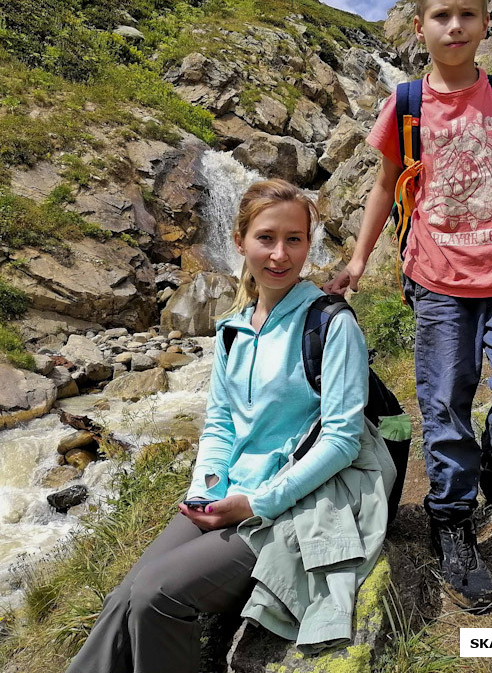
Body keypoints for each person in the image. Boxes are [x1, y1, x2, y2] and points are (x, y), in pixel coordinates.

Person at [66, 178, 392, 673]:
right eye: (266, 238)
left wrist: (255, 503)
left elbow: (343, 440)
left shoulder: (331, 323)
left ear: (309, 243)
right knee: (124, 595)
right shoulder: (233, 330)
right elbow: (220, 422)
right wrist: (208, 486)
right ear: (240, 243)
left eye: (294, 239)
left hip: (291, 500)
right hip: (232, 489)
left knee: (156, 594)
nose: (280, 254)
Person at [326, 0, 492, 612]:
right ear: (420, 27)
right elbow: (381, 187)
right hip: (435, 280)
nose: (455, 25)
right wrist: (357, 261)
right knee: (445, 402)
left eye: (467, 14)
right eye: (441, 15)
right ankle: (452, 519)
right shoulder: (405, 107)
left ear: (486, 23)